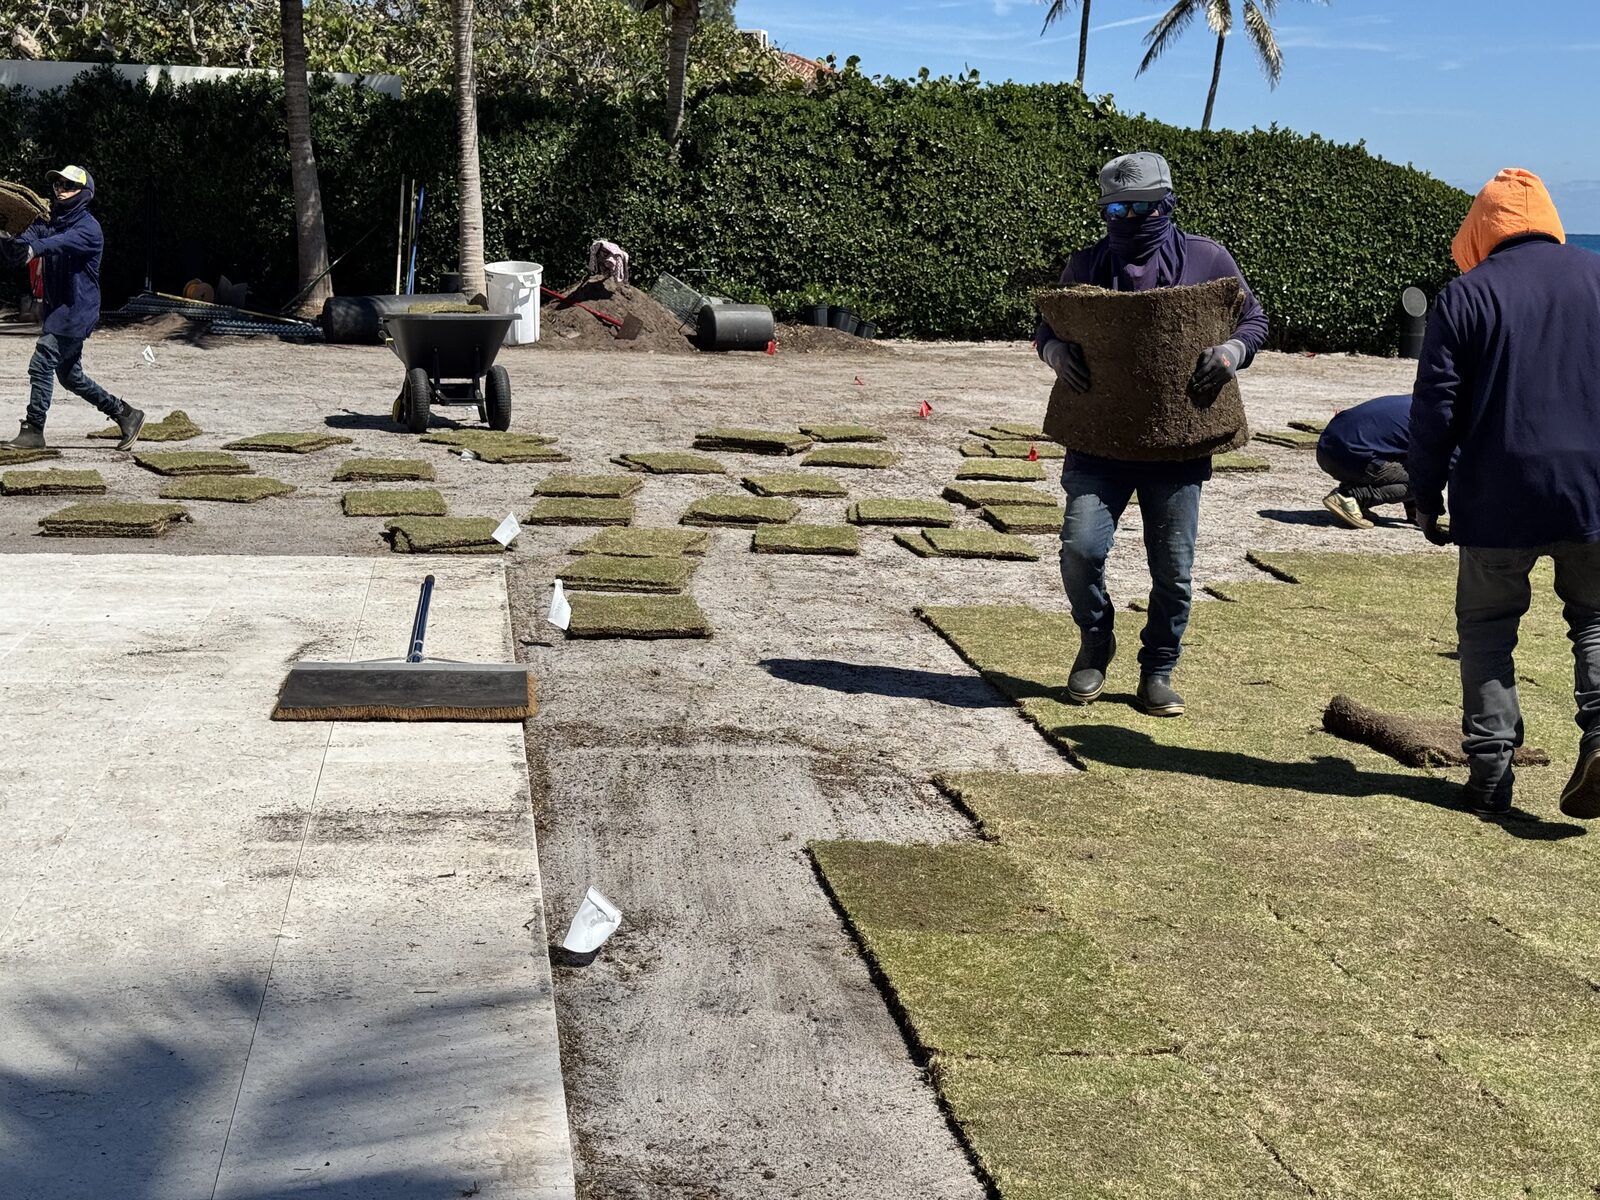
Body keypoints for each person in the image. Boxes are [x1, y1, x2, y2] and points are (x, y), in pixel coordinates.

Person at [1034, 151, 1268, 717]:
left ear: (1168, 205)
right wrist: (1054, 351)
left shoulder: (1207, 259)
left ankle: (1159, 667)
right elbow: (1048, 324)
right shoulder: (1086, 266)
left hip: (1177, 447)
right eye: (1117, 209)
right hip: (1098, 442)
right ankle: (1096, 640)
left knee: (1173, 570)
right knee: (1081, 549)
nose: (1130, 219)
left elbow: (1253, 319)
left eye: (1143, 208)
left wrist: (1232, 352)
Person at [1409, 167, 1600, 819]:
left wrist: (1424, 492)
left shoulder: (1467, 295)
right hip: (1593, 491)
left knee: (1488, 628)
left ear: (1480, 229)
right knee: (1595, 619)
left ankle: (1490, 773)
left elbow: (1435, 408)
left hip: (1497, 492)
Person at [3, 165, 143, 451]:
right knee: (70, 377)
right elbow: (25, 242)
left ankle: (34, 429)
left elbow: (56, 244)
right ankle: (126, 414)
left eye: (68, 185)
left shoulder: (89, 229)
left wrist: (31, 249)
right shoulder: (49, 221)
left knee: (42, 361)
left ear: (84, 192)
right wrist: (7, 239)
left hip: (77, 312)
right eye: (58, 185)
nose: (60, 190)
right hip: (58, 311)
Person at [1317, 394, 1416, 529]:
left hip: (1325, 449)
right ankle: (1352, 497)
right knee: (1425, 483)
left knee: (1411, 462)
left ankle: (1352, 497)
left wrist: (1414, 512)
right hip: (1350, 457)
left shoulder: (1417, 401)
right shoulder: (1436, 420)